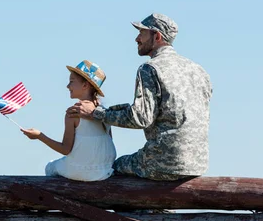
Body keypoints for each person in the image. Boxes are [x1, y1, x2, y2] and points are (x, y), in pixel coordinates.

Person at [67, 13, 212, 181]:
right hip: (198, 163)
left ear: (157, 36)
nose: (137, 39)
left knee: (109, 168)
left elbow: (140, 118)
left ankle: (136, 208)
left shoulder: (150, 68)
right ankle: (158, 208)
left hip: (164, 162)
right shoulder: (200, 71)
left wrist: (96, 113)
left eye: (142, 33)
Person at [21, 60, 116, 181]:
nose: (67, 86)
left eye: (71, 82)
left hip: (79, 171)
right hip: (105, 171)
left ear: (85, 85)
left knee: (50, 167)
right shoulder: (104, 112)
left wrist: (39, 136)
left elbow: (65, 149)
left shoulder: (73, 112)